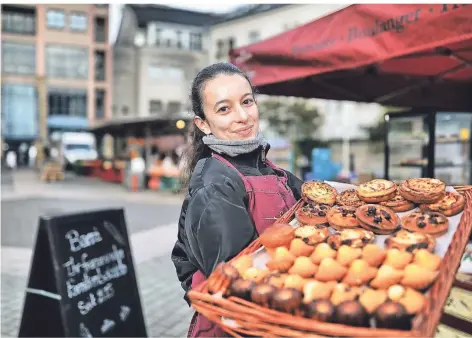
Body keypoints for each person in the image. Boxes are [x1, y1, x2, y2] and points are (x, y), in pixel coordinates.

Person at [171, 63, 303, 337]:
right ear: (203, 124)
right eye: (224, 109)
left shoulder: (278, 174)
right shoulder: (215, 183)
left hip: (278, 318)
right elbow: (236, 281)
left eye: (247, 102)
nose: (243, 116)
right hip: (239, 326)